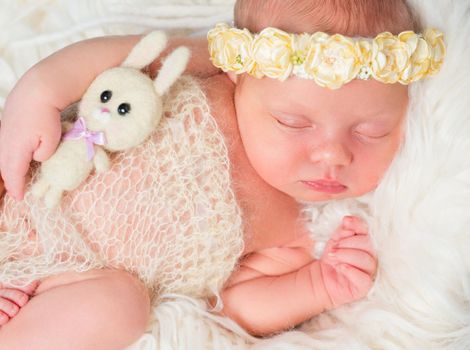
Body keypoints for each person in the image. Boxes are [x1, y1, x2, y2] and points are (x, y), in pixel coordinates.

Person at [0, 0, 445, 348]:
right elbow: (125, 56)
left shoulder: (292, 231)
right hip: (21, 177)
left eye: (371, 132)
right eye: (293, 123)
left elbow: (236, 306)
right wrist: (41, 91)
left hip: (70, 281)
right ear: (240, 74)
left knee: (119, 311)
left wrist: (318, 284)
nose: (332, 155)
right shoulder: (208, 70)